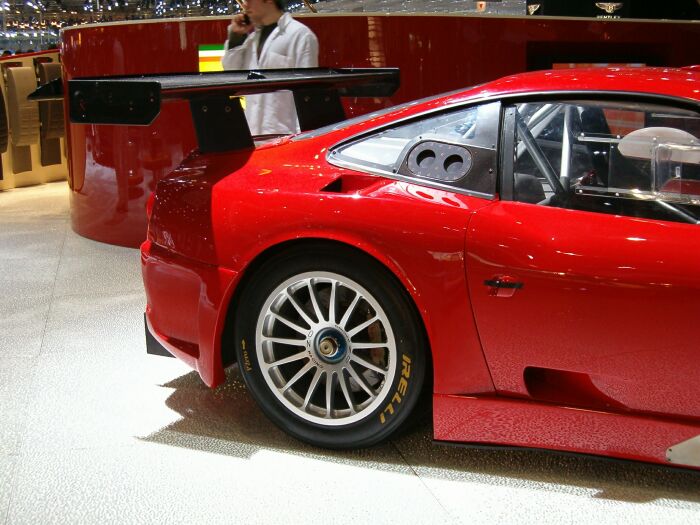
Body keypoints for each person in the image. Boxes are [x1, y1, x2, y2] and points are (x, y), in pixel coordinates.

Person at [221, 0, 319, 136]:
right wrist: (236, 37)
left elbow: (307, 96)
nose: (245, 5)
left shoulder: (300, 35)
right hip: (252, 137)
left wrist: (301, 138)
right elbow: (231, 74)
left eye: (249, 0)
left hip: (286, 137)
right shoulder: (251, 40)